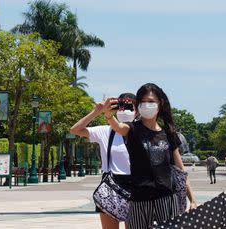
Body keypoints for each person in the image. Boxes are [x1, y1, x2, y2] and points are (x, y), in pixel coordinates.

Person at [104, 83, 198, 229]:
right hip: (138, 200)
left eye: (151, 101)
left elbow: (181, 170)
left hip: (166, 199)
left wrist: (192, 199)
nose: (147, 105)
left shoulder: (168, 133)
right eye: (143, 102)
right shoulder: (133, 128)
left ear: (160, 103)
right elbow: (118, 127)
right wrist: (109, 115)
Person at [70, 93, 136, 229]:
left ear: (137, 111)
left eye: (130, 106)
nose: (125, 110)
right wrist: (97, 112)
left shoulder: (142, 131)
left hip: (137, 184)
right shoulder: (106, 131)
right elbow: (75, 130)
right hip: (111, 184)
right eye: (121, 106)